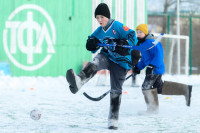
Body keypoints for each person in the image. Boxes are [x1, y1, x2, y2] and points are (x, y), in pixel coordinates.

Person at [66, 3, 140, 130]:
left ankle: (113, 119)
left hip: (121, 62)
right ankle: (79, 81)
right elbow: (92, 42)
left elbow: (132, 36)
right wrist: (91, 44)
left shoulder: (117, 26)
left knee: (116, 90)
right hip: (107, 56)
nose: (99, 20)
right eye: (97, 18)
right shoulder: (99, 31)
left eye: (101, 17)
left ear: (107, 16)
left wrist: (124, 43)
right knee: (95, 63)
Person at [133, 24, 193, 115]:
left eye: (140, 32)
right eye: (137, 32)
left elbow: (159, 54)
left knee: (146, 87)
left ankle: (152, 110)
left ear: (145, 33)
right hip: (153, 70)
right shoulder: (143, 44)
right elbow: (145, 59)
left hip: (155, 70)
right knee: (159, 88)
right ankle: (185, 89)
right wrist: (138, 67)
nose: (138, 34)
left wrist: (152, 66)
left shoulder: (151, 42)